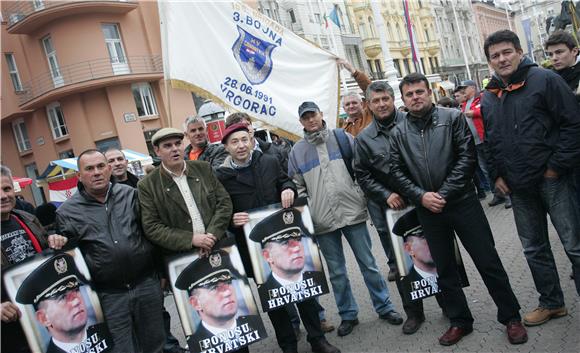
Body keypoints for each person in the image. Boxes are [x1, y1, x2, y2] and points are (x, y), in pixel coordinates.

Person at [389, 73, 527, 346]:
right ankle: (460, 321)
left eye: (419, 92)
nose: (415, 97)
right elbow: (396, 171)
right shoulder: (398, 132)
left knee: (488, 261)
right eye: (409, 94)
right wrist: (421, 196)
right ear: (403, 100)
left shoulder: (452, 118)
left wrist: (443, 193)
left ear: (429, 92)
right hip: (428, 210)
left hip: (462, 203)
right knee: (445, 269)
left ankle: (511, 317)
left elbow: (467, 158)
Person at [482, 30, 580, 326]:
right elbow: (491, 140)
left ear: (519, 51)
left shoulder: (545, 79)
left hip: (554, 180)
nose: (501, 59)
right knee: (534, 248)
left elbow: (573, 125)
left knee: (574, 244)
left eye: (506, 52)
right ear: (489, 61)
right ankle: (552, 303)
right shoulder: (490, 94)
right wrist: (496, 174)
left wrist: (555, 167)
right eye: (495, 56)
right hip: (518, 187)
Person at [215, 124, 337, 353]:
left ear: (251, 140)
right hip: (253, 249)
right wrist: (231, 218)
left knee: (303, 291)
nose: (241, 145)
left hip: (285, 238)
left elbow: (285, 181)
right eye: (234, 142)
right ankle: (288, 345)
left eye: (244, 139)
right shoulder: (221, 177)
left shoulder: (268, 161)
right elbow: (218, 209)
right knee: (273, 299)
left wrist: (288, 188)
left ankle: (317, 339)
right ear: (226, 147)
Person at [288, 101, 402, 338]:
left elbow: (361, 171)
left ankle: (385, 307)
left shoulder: (343, 138)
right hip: (322, 220)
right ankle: (348, 315)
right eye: (305, 117)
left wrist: (360, 195)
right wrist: (309, 209)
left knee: (369, 264)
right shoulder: (297, 151)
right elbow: (297, 185)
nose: (311, 120)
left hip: (353, 212)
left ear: (321, 114)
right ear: (301, 121)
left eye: (313, 115)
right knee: (337, 272)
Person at [353, 81, 443, 335]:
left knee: (435, 253)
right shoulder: (363, 139)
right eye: (376, 101)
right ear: (368, 105)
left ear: (394, 99)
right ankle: (414, 313)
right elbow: (362, 175)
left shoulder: (413, 122)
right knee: (401, 262)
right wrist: (385, 194)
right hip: (388, 212)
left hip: (422, 202)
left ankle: (448, 302)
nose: (381, 104)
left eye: (385, 99)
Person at [56, 150, 165, 353]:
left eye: (100, 166)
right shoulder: (67, 212)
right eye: (89, 168)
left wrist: (161, 273)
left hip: (146, 284)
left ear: (108, 169)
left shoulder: (131, 194)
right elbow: (68, 258)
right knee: (121, 349)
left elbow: (151, 232)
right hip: (108, 295)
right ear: (79, 175)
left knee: (156, 345)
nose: (96, 172)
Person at [104, 148, 186, 353]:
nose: (116, 163)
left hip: (147, 269)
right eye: (111, 160)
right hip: (117, 282)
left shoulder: (142, 186)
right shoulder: (104, 192)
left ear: (126, 161)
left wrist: (160, 269)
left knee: (158, 314)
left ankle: (170, 347)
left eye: (120, 159)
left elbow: (152, 230)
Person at [1, 165, 67, 353]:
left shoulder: (28, 218)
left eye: (6, 189)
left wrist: (56, 241)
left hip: (46, 317)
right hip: (10, 332)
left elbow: (47, 253)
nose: (3, 196)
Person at [138, 127, 232, 256]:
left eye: (178, 143)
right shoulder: (147, 185)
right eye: (167, 146)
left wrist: (212, 234)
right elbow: (152, 227)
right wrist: (191, 239)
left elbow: (224, 202)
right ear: (157, 151)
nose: (175, 149)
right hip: (183, 256)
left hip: (218, 245)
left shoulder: (203, 168)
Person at [174, 250, 265, 353]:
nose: (227, 292)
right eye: (214, 287)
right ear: (196, 303)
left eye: (228, 282)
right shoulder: (196, 344)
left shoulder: (252, 323)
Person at [16, 253, 93, 353]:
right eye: (62, 297)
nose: (76, 301)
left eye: (76, 290)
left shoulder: (105, 332)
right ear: (44, 318)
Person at [336, 59, 373, 137]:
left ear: (362, 103)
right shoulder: (343, 130)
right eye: (347, 104)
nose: (351, 106)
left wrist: (352, 70)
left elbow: (371, 90)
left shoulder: (370, 114)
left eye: (354, 102)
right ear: (344, 108)